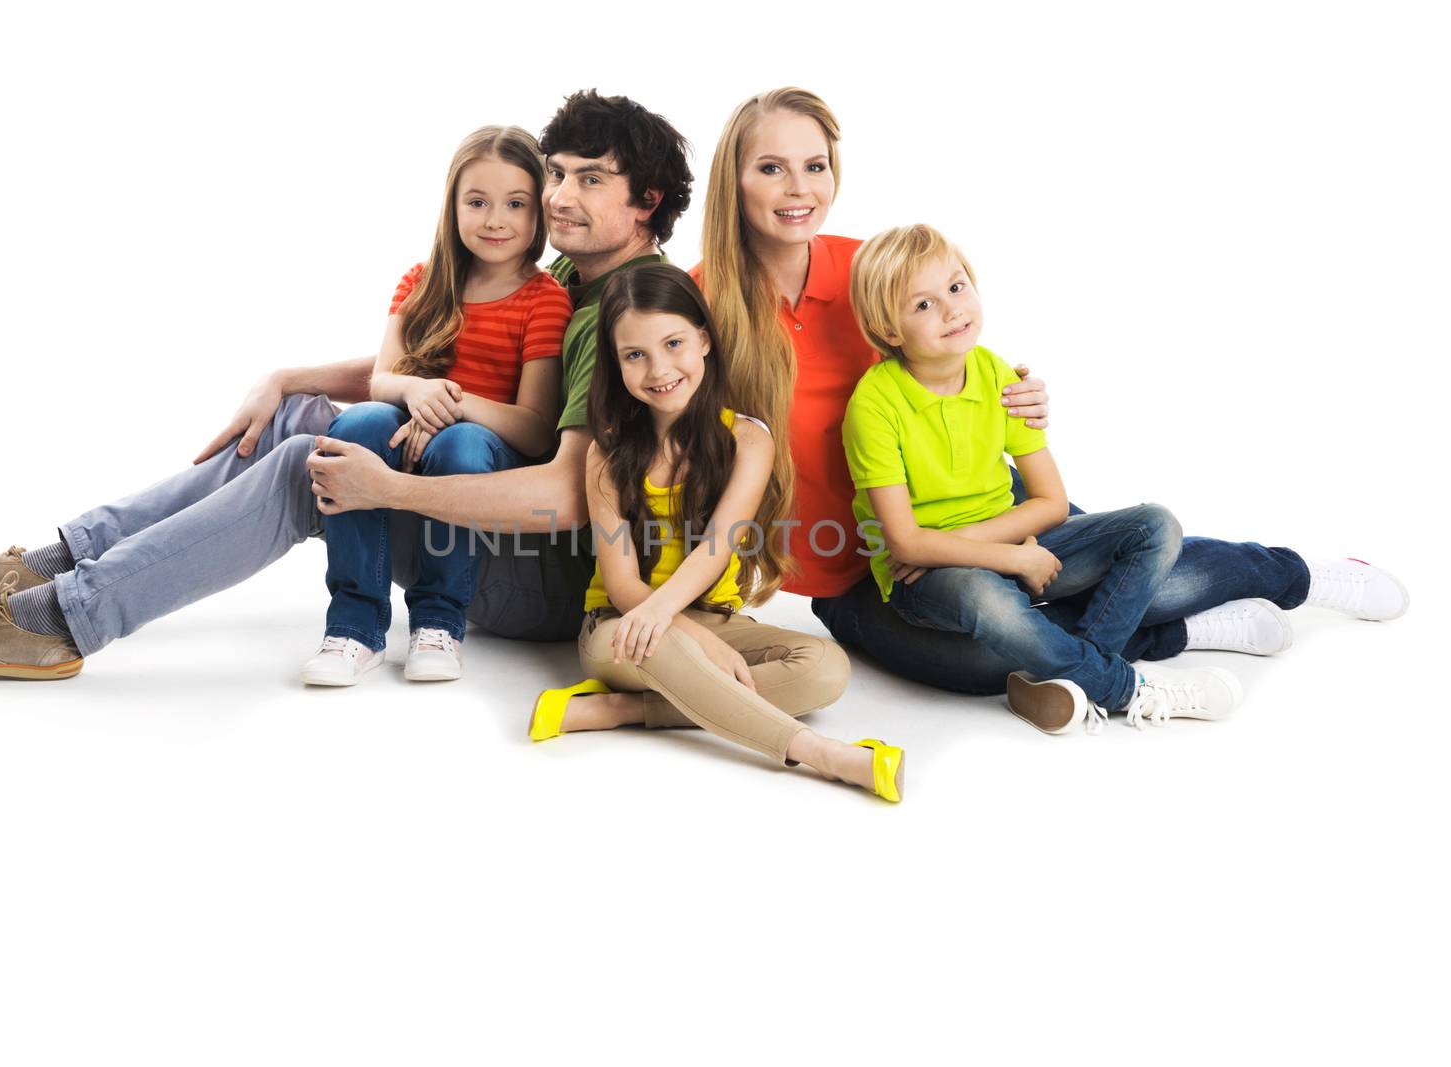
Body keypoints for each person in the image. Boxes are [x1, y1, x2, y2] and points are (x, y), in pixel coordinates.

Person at [0, 90, 698, 680]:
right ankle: (59, 560)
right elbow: (443, 371)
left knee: (310, 470)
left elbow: (561, 495)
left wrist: (385, 488)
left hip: (538, 578)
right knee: (308, 418)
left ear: (645, 205)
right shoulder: (568, 271)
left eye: (591, 180)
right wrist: (287, 377)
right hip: (484, 524)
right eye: (556, 174)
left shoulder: (624, 313)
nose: (558, 196)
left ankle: (66, 618)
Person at [691, 86, 1408, 711]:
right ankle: (1185, 635)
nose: (798, 188)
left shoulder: (867, 268)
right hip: (866, 573)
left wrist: (1018, 398)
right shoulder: (700, 305)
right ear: (737, 179)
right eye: (771, 168)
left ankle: (1302, 575)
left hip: (980, 513)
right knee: (988, 662)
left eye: (815, 166)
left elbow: (949, 354)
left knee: (1125, 576)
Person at [845, 224, 1244, 730]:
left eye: (955, 286)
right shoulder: (874, 406)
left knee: (1156, 525)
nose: (951, 309)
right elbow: (904, 544)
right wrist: (1007, 556)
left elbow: (1052, 502)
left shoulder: (998, 377)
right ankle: (1125, 687)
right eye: (922, 305)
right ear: (889, 331)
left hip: (998, 544)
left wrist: (990, 548)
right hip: (930, 580)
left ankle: (1072, 680)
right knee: (984, 597)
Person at [529, 264, 900, 801]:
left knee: (826, 670)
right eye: (634, 355)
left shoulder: (748, 440)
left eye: (673, 342)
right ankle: (822, 754)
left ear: (703, 338)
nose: (659, 369)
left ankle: (622, 710)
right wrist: (690, 636)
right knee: (664, 647)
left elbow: (718, 544)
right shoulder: (605, 453)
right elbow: (625, 586)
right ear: (616, 364)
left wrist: (704, 635)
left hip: (716, 618)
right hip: (622, 626)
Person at [301, 126, 572, 686]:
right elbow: (383, 381)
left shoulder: (545, 299)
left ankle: (439, 623)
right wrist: (417, 392)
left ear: (538, 216)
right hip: (408, 428)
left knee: (462, 440)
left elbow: (536, 429)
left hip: (483, 452)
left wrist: (448, 403)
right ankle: (355, 628)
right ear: (452, 207)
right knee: (357, 423)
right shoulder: (422, 283)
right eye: (477, 202)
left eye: (515, 205)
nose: (495, 220)